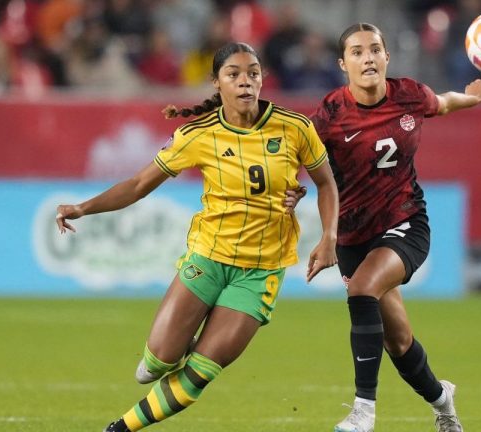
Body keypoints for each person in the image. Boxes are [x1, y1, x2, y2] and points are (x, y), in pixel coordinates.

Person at [54, 42, 339, 432]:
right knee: (157, 362)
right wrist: (83, 207)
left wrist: (329, 237)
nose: (245, 82)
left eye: (253, 73)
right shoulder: (196, 135)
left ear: (263, 79)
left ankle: (120, 428)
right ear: (216, 82)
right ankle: (165, 353)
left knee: (202, 371)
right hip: (208, 257)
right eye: (234, 74)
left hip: (261, 271)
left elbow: (326, 183)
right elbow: (138, 184)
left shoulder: (295, 127)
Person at [309, 22, 481, 432]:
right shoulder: (330, 115)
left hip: (405, 221)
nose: (367, 57)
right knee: (399, 343)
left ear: (387, 57)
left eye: (375, 49)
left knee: (361, 289)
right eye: (357, 52)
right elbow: (306, 166)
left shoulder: (408, 93)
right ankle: (443, 401)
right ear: (343, 64)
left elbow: (441, 103)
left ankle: (363, 412)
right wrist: (294, 198)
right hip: (355, 236)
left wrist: (471, 98)